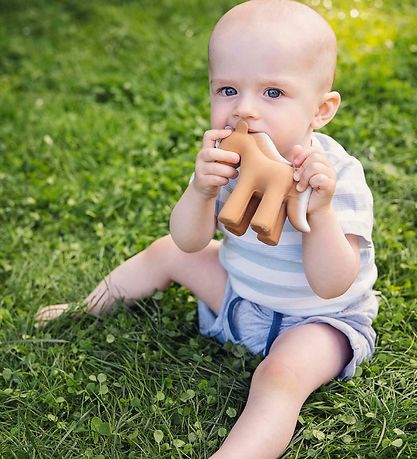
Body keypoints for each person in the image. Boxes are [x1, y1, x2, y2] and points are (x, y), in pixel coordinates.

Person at [36, 1, 378, 457]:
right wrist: (200, 191)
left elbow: (333, 283)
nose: (246, 111)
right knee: (165, 250)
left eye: (273, 93)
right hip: (240, 297)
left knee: (279, 376)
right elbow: (189, 240)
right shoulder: (227, 162)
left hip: (318, 322)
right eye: (228, 90)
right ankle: (86, 307)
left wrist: (320, 212)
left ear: (321, 109)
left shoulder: (337, 176)